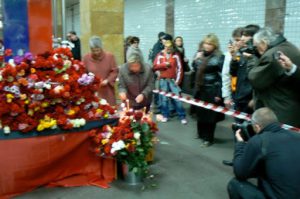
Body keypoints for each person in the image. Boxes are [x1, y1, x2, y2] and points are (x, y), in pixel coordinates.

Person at [227, 107, 300, 199]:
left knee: (235, 184)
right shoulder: (297, 136)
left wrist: (240, 144)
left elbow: (240, 172)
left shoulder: (259, 141)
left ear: (257, 127)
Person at [246, 27, 300, 127]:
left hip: (279, 110)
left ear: (263, 42)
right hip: (292, 107)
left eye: (256, 46)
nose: (256, 50)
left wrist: (251, 60)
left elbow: (255, 79)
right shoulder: (290, 47)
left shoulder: (272, 55)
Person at [192, 33, 224, 147]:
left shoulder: (219, 57)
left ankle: (208, 138)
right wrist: (196, 59)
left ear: (215, 45)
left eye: (210, 44)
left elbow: (222, 76)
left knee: (210, 116)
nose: (207, 46)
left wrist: (219, 93)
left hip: (212, 89)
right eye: (206, 43)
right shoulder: (199, 54)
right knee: (200, 113)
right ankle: (200, 134)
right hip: (200, 88)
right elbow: (194, 68)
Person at [153, 40, 187, 124]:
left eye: (169, 47)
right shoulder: (160, 55)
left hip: (173, 81)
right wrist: (164, 64)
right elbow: (154, 67)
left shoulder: (176, 55)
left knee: (177, 99)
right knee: (164, 99)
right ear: (164, 47)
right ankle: (165, 115)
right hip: (163, 80)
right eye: (166, 47)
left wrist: (178, 81)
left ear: (172, 47)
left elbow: (180, 69)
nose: (168, 49)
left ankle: (182, 116)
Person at [83, 36, 118, 105]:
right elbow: (84, 74)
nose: (96, 53)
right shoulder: (86, 58)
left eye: (98, 50)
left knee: (109, 111)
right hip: (92, 90)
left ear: (101, 48)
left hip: (107, 90)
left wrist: (107, 80)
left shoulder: (110, 57)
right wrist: (88, 81)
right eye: (93, 50)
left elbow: (115, 71)